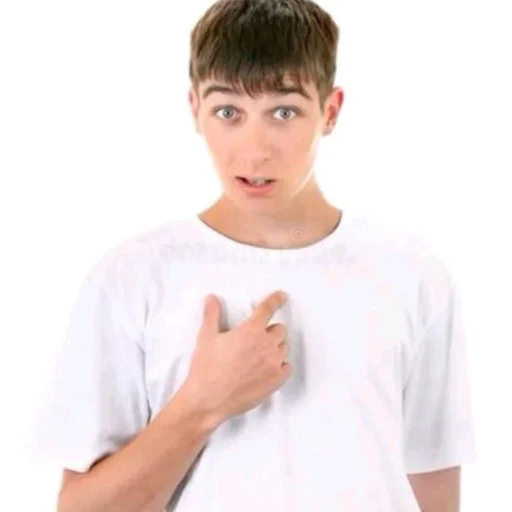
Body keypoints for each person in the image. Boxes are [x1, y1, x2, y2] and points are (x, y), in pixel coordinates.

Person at [34, 0, 477, 510]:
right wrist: (202, 403)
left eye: (283, 112)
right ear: (195, 109)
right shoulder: (132, 278)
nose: (254, 150)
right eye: (228, 112)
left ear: (330, 111)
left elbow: (433, 485)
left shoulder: (412, 273)